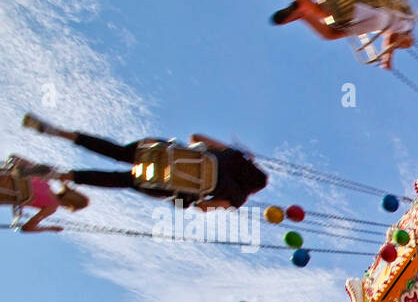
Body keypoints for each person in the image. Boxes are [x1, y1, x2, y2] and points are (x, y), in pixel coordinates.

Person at [20, 114, 267, 209]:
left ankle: (58, 132)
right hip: (163, 183)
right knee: (121, 181)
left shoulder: (233, 155)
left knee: (115, 151)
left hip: (161, 155)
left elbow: (195, 137)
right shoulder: (237, 198)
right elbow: (203, 207)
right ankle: (58, 175)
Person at [252, 0, 415, 71]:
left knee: (319, 10)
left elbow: (392, 38)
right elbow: (394, 40)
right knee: (329, 33)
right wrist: (388, 60)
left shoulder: (398, 5)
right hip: (376, 16)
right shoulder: (405, 26)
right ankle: (302, 15)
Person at [0, 156, 90, 232]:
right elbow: (27, 228)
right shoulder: (52, 207)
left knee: (32, 170)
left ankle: (21, 170)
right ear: (71, 206)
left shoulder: (45, 183)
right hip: (5, 194)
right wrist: (49, 228)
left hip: (5, 177)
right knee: (22, 194)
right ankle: (22, 174)